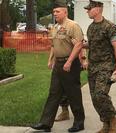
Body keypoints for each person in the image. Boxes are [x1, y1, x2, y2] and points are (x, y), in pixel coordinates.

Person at [31, 0, 85, 132]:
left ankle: (79, 122)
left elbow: (78, 44)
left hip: (70, 64)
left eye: (57, 11)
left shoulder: (73, 25)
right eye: (54, 11)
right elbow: (54, 45)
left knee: (73, 93)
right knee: (54, 93)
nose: (55, 13)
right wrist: (51, 60)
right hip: (59, 64)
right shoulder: (54, 27)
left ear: (65, 12)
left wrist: (69, 61)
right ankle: (46, 123)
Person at [84, 0, 116, 132]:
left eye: (89, 9)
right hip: (93, 67)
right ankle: (106, 124)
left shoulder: (110, 27)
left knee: (100, 94)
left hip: (106, 66)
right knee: (94, 98)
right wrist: (80, 46)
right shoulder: (91, 27)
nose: (87, 11)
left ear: (98, 9)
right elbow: (93, 45)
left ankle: (114, 121)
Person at [55, 49, 88, 122]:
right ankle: (65, 111)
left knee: (73, 90)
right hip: (62, 62)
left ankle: (79, 115)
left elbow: (81, 46)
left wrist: (84, 60)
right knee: (62, 87)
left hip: (74, 63)